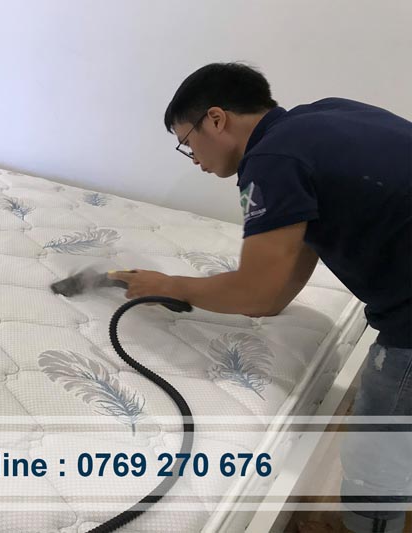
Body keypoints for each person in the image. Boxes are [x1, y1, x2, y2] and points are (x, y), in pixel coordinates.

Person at [109, 62, 412, 533]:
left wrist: (168, 285)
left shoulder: (271, 161)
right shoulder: (324, 116)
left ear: (216, 119)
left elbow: (257, 293)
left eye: (187, 142)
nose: (193, 158)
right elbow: (282, 283)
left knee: (375, 460)